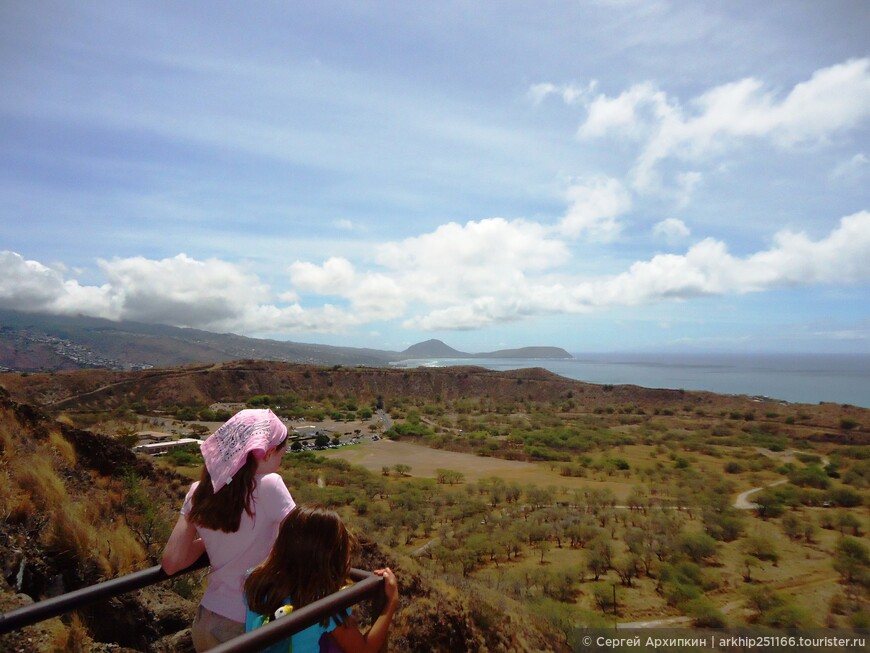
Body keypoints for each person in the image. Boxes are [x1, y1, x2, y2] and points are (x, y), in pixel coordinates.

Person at [161, 408, 295, 652]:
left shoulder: (199, 491)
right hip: (247, 624)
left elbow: (171, 562)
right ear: (267, 452)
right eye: (281, 457)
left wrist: (214, 540)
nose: (279, 465)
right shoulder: (270, 486)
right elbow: (304, 544)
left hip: (206, 622)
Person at [244, 505, 400, 653]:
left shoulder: (256, 582)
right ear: (330, 558)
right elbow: (364, 650)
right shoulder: (324, 603)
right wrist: (391, 603)